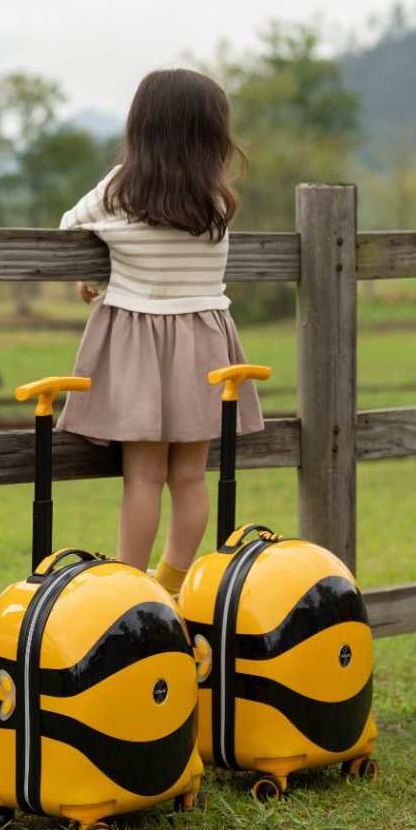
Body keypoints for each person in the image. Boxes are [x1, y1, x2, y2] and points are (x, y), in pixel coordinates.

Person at [56, 68, 263, 597]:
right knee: (191, 477)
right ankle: (171, 579)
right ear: (212, 134)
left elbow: (67, 227)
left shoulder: (122, 189)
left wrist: (91, 270)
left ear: (141, 128)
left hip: (140, 347)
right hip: (204, 344)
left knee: (143, 478)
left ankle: (131, 585)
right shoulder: (215, 202)